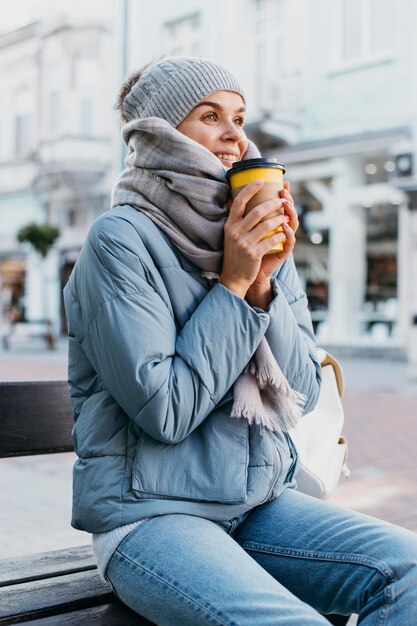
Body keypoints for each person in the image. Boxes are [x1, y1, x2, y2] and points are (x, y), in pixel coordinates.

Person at [63, 57, 417, 626]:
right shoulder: (120, 241)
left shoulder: (253, 229)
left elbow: (299, 393)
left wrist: (263, 283)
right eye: (210, 116)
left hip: (255, 505)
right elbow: (166, 412)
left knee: (411, 572)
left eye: (239, 116)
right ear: (160, 133)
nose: (235, 135)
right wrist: (232, 282)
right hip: (150, 517)